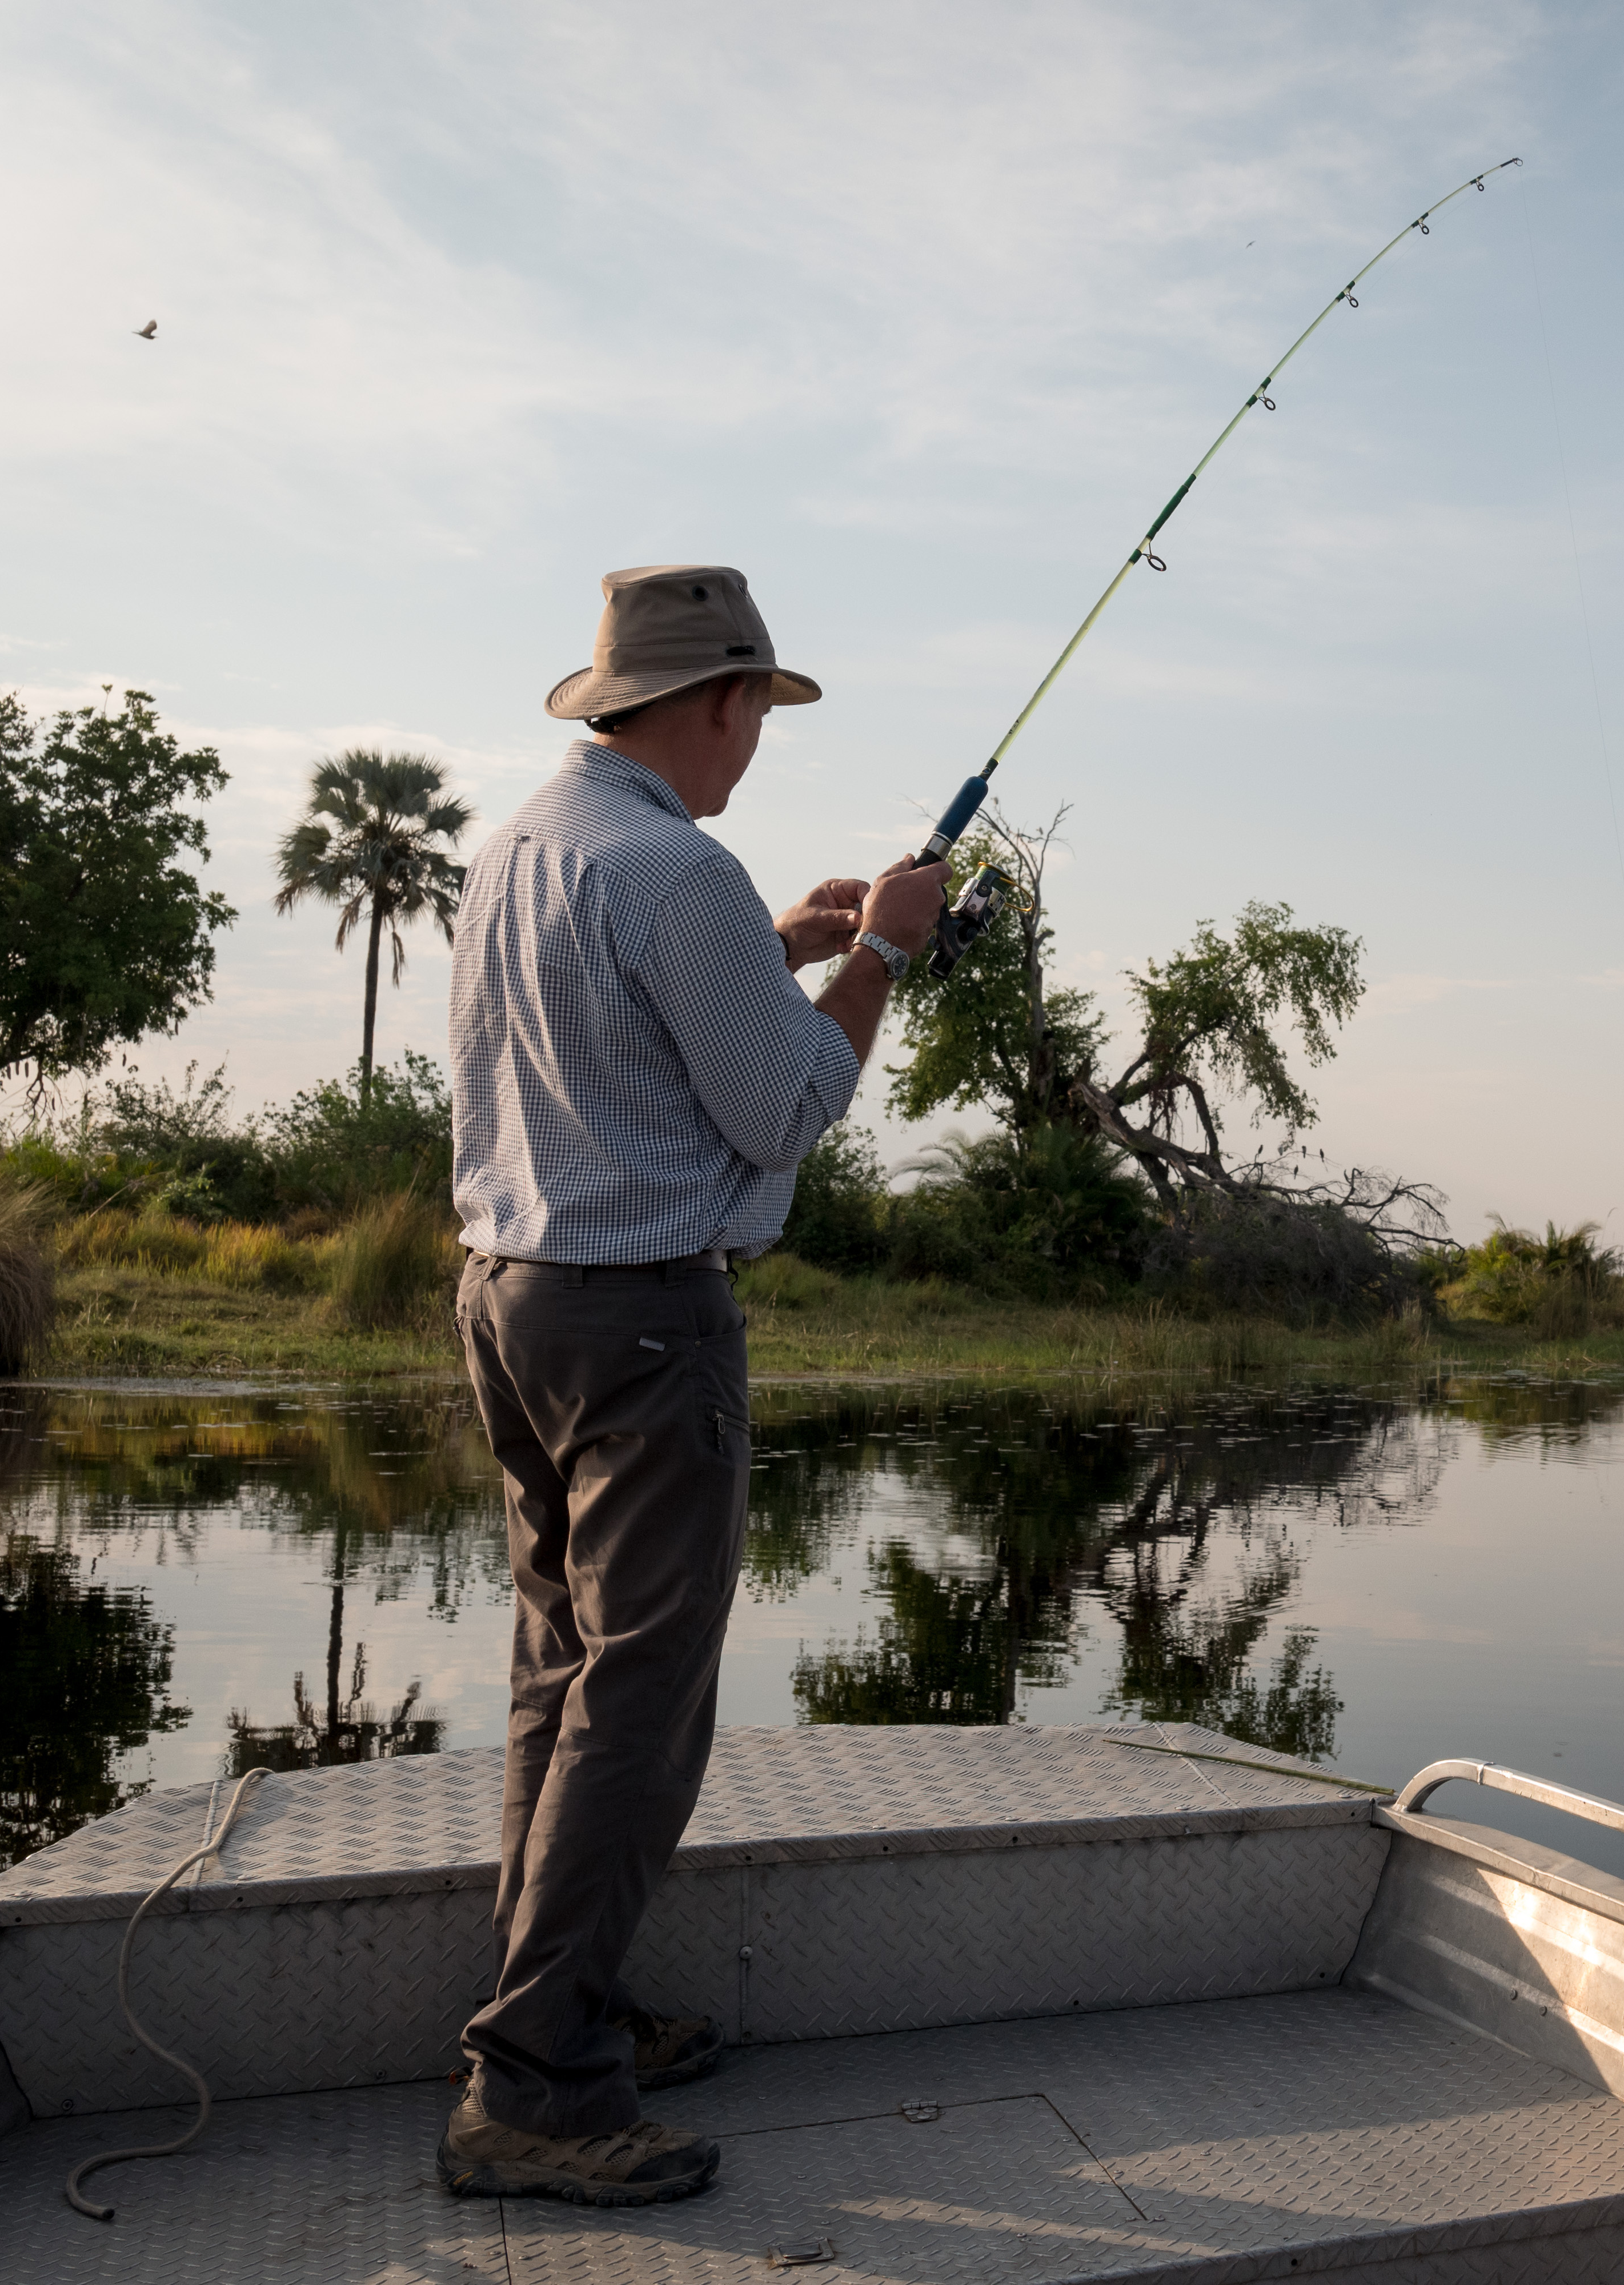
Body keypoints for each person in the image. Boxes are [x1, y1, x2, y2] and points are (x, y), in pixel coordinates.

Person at [434, 563, 947, 2206]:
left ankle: (556, 2016)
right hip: (647, 1329)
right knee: (641, 1706)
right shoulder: (678, 866)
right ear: (719, 700)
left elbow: (640, 1057)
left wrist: (786, 944)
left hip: (511, 1305)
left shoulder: (521, 847)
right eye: (758, 717)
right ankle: (531, 2085)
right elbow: (788, 1112)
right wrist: (880, 951)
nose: (756, 752)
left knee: (562, 1678)